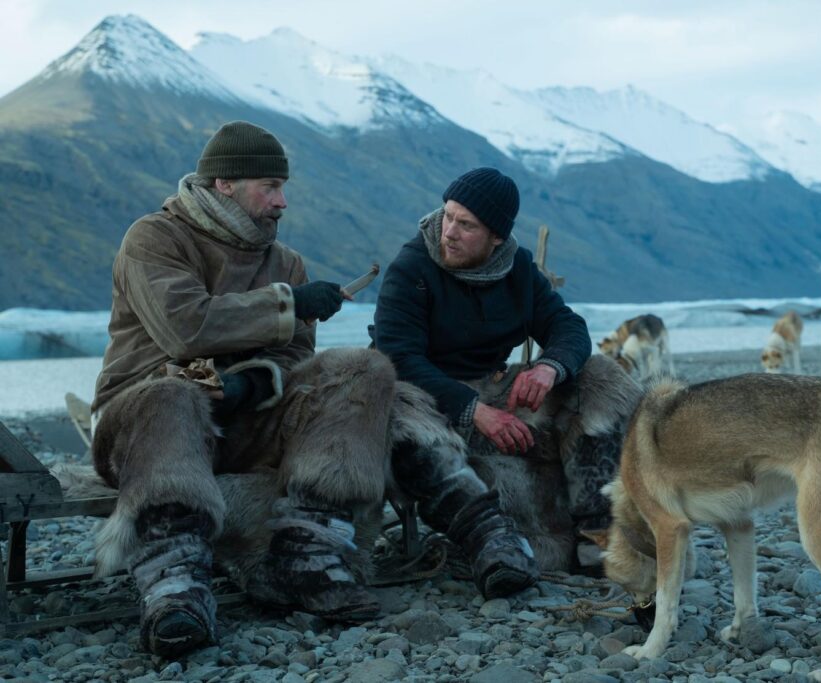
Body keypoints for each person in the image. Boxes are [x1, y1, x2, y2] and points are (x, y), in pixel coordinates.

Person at [90, 123, 537, 658]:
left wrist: (251, 383)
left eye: (284, 187)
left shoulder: (285, 260)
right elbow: (183, 327)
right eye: (269, 187)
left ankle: (307, 555)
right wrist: (289, 304)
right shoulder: (155, 238)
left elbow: (293, 359)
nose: (282, 201)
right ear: (224, 184)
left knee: (365, 370)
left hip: (242, 419)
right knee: (173, 395)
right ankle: (175, 589)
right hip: (144, 421)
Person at [373, 168, 641, 573]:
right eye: (448, 216)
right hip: (423, 401)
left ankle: (599, 530)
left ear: (496, 236)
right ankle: (501, 543)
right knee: (404, 403)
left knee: (600, 375)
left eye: (466, 225)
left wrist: (550, 368)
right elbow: (398, 359)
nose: (448, 232)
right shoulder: (412, 268)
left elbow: (568, 327)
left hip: (495, 387)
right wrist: (475, 410)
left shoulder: (516, 268)